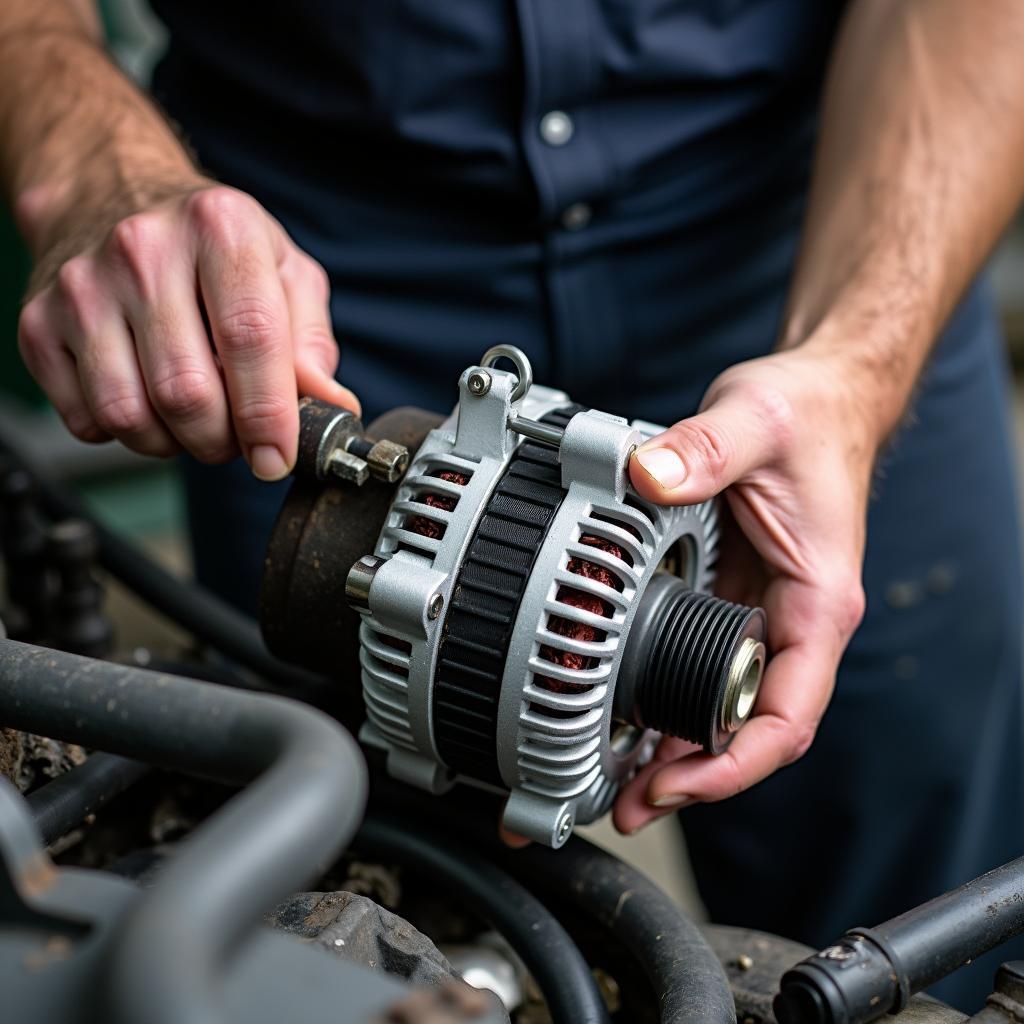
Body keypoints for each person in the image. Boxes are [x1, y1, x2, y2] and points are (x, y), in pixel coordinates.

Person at [2, 0, 1022, 1009]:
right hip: (300, 283)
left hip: (818, 237)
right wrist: (100, 172)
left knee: (915, 915)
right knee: (348, 886)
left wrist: (857, 368)